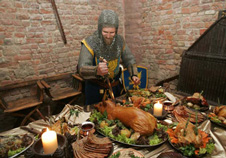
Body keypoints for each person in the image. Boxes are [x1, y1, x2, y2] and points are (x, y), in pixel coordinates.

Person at [78, 9, 140, 105]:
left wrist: (134, 74)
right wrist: (96, 70)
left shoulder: (119, 41)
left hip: (115, 88)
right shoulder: (89, 43)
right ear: (100, 29)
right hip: (95, 89)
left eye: (112, 33)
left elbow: (129, 58)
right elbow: (81, 69)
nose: (108, 36)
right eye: (105, 32)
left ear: (116, 30)